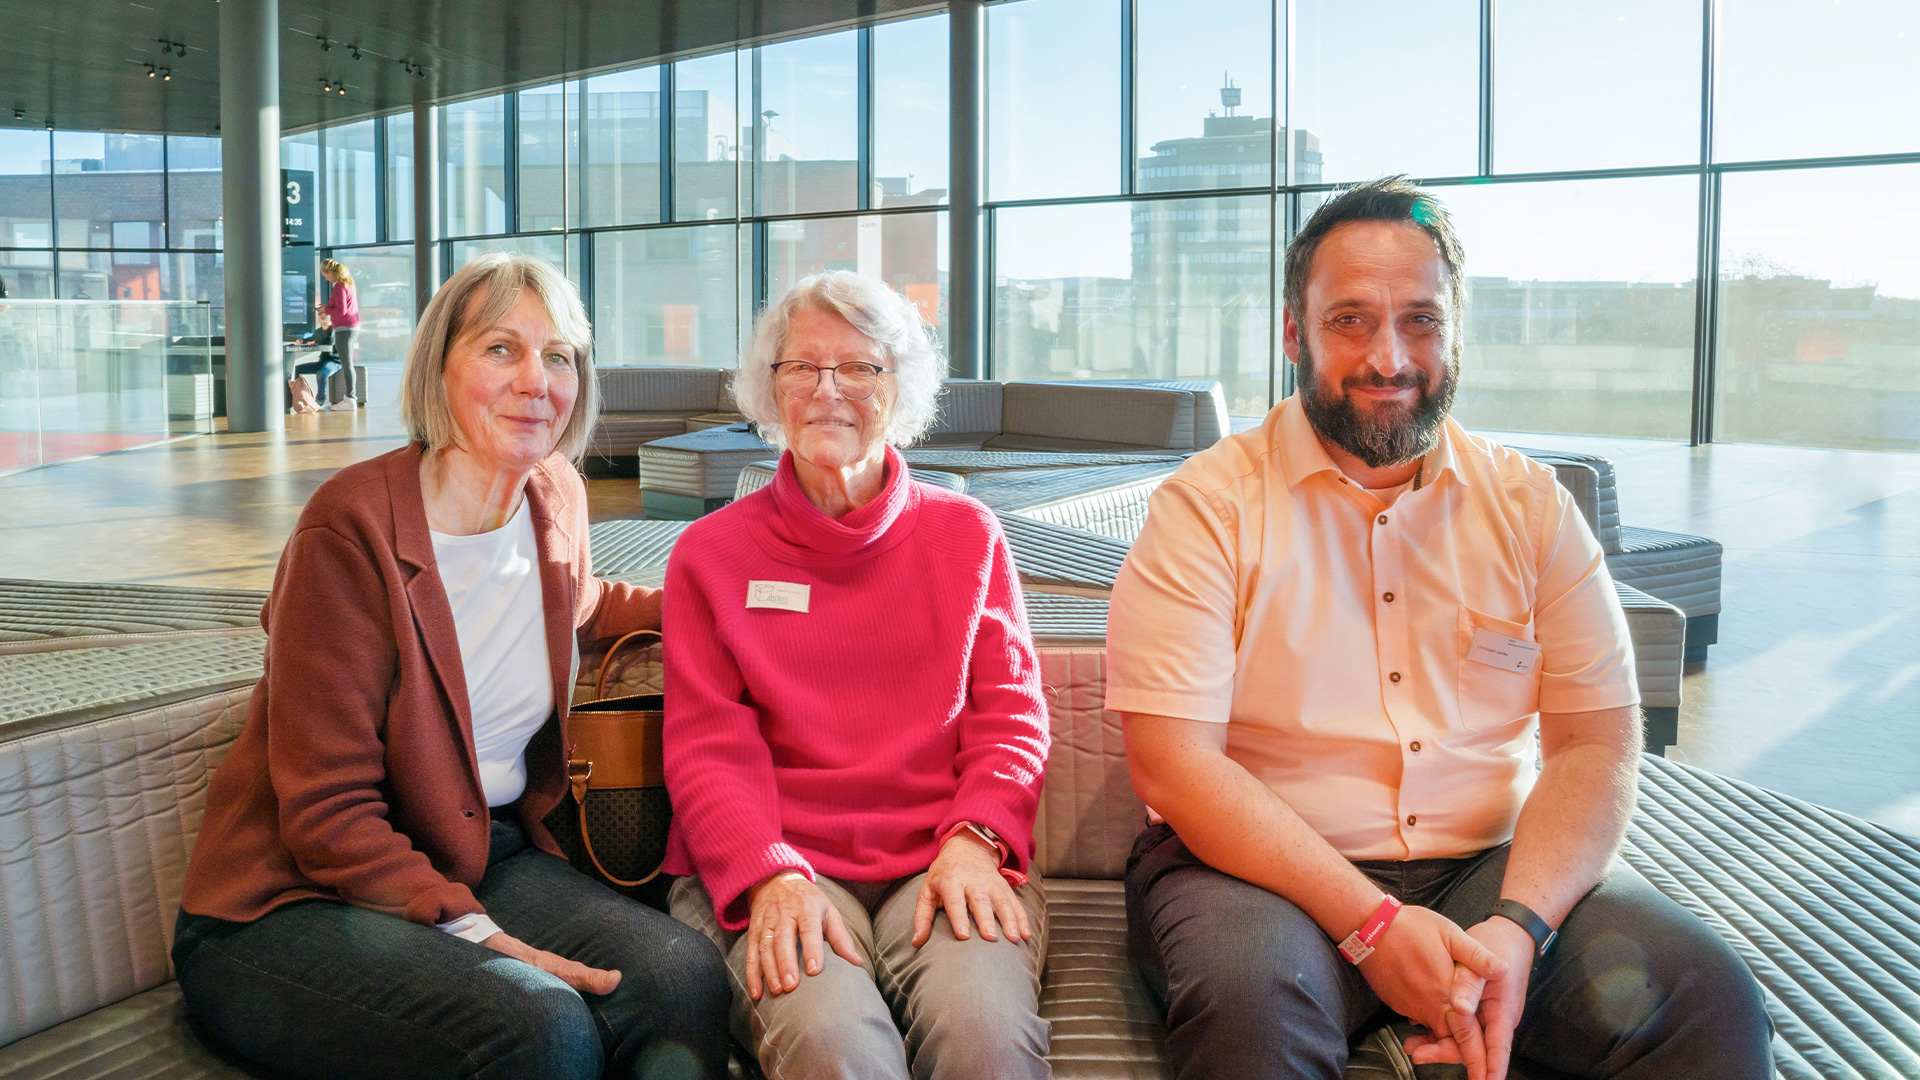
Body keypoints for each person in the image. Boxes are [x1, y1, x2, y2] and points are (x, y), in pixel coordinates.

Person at [1108, 177, 1772, 1080]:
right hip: (1261, 874)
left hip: (1491, 869)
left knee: (1710, 1004)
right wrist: (1372, 924)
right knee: (1250, 1021)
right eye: (1350, 320)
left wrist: (1520, 926)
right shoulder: (1207, 506)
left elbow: (1594, 743)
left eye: (1421, 320)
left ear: (1455, 330)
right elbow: (1175, 763)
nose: (1390, 358)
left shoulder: (1534, 507)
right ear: (1295, 333)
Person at [173, 252, 731, 1080]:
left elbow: (577, 603)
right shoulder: (351, 529)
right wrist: (479, 936)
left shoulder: (553, 494)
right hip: (295, 896)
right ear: (440, 368)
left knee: (684, 980)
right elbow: (327, 812)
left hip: (475, 850)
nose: (535, 380)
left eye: (558, 356)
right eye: (501, 349)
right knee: (539, 1031)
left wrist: (737, 606)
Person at [663, 270, 1053, 1080]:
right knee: (832, 1046)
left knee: (983, 1036)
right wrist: (768, 874)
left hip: (945, 857)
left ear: (899, 386)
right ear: (769, 388)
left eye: (859, 368)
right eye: (801, 367)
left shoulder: (966, 536)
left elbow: (1011, 719)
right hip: (777, 862)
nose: (826, 390)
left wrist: (978, 838)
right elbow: (706, 748)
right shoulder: (710, 554)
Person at [318, 257, 360, 410]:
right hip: (350, 327)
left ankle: (351, 398)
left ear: (330, 272)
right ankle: (349, 398)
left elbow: (341, 311)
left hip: (345, 328)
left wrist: (325, 310)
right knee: (347, 363)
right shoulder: (348, 284)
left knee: (347, 363)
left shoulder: (339, 286)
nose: (325, 278)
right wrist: (327, 309)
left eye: (325, 275)